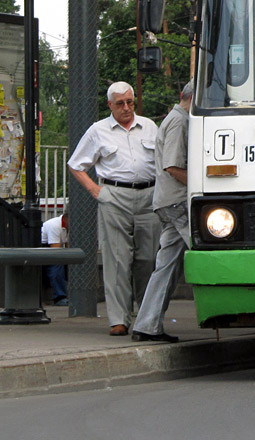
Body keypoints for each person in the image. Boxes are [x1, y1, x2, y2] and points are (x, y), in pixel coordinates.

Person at [68, 82, 159, 336]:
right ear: (110, 105)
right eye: (120, 104)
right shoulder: (98, 131)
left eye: (130, 102)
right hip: (115, 196)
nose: (127, 108)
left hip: (149, 197)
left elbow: (163, 160)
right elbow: (76, 164)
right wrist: (96, 190)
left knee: (149, 259)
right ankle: (119, 319)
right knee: (117, 259)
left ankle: (146, 317)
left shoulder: (149, 126)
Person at [132, 81, 193, 344]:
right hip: (179, 202)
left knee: (165, 266)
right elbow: (173, 166)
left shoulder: (174, 118)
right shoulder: (179, 121)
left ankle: (147, 324)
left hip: (168, 201)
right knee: (212, 250)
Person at [40, 212, 68, 306]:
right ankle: (59, 296)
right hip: (45, 249)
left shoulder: (68, 227)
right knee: (57, 265)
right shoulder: (54, 226)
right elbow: (55, 250)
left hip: (55, 249)